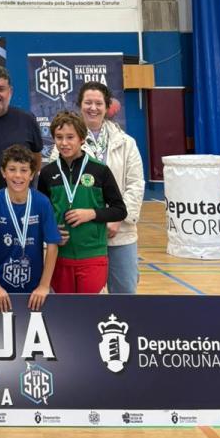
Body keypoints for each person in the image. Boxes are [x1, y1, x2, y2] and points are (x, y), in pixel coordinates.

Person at [38, 110, 126, 295]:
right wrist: (51, 232)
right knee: (65, 309)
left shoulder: (100, 170)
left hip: (93, 255)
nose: (64, 143)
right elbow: (41, 214)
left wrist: (92, 213)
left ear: (82, 139)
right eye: (59, 137)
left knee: (89, 308)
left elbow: (120, 210)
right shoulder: (47, 173)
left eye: (70, 137)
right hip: (59, 256)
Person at [78, 82, 145, 294]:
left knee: (124, 295)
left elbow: (135, 184)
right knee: (83, 299)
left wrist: (117, 218)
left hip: (120, 233)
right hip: (82, 234)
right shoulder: (67, 142)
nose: (93, 108)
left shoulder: (127, 143)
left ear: (107, 107)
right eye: (88, 102)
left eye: (98, 103)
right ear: (79, 105)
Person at [0, 145, 61, 310]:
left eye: (24, 170)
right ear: (3, 172)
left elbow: (53, 244)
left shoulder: (42, 202)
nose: (18, 175)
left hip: (34, 290)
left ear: (32, 174)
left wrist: (44, 285)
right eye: (12, 169)